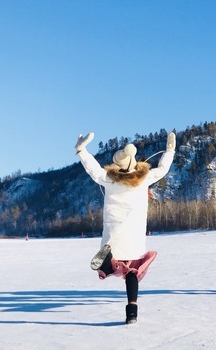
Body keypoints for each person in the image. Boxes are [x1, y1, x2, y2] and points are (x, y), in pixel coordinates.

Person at [75, 131, 175, 324]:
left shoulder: (109, 180)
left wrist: (81, 150)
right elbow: (162, 169)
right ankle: (132, 313)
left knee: (112, 258)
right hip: (134, 236)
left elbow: (93, 169)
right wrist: (170, 150)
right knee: (132, 272)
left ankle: (106, 263)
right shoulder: (144, 179)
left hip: (114, 233)